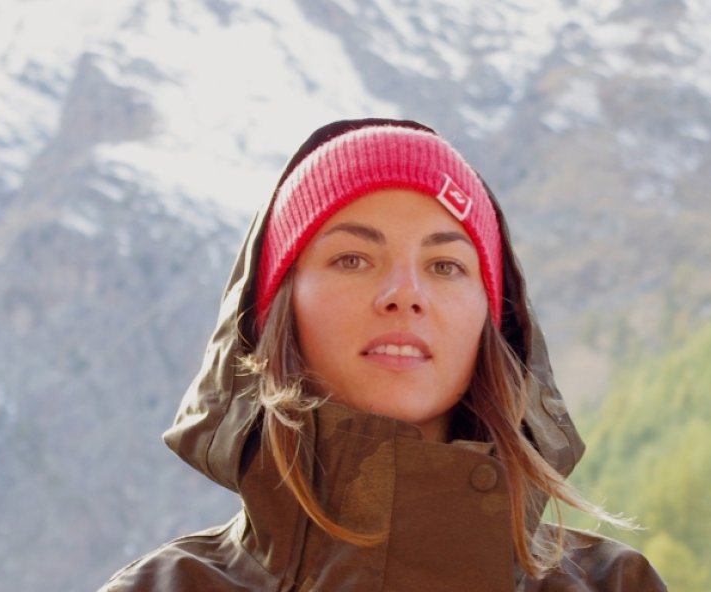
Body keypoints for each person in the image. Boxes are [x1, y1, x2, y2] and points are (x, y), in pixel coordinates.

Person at [100, 118, 667, 591]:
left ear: (491, 319)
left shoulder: (616, 584)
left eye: (445, 266)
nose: (404, 293)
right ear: (278, 308)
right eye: (352, 259)